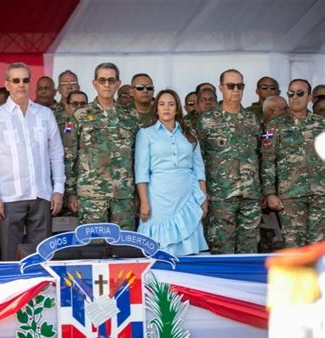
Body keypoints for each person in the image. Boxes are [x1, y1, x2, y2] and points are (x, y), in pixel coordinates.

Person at [0, 62, 65, 261]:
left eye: (25, 80)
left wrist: (58, 190)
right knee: (11, 257)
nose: (21, 85)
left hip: (41, 194)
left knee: (42, 257)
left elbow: (56, 153)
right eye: (16, 80)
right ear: (7, 84)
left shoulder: (45, 114)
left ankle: (41, 292)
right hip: (9, 197)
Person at [66, 63, 138, 230]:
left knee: (124, 246)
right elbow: (69, 155)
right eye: (102, 80)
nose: (107, 84)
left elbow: (137, 156)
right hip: (91, 196)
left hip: (123, 196)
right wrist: (70, 192)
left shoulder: (130, 116)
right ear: (94, 83)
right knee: (94, 246)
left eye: (111, 80)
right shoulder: (79, 115)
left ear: (118, 84)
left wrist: (137, 193)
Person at [135, 89, 208, 255]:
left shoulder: (190, 134)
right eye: (161, 104)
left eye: (171, 104)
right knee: (161, 246)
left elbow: (198, 168)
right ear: (156, 109)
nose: (166, 108)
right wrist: (144, 202)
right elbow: (141, 171)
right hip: (159, 195)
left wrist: (203, 198)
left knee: (189, 241)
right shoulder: (146, 134)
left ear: (177, 108)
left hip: (186, 193)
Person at [197, 69, 262, 254]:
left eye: (240, 86)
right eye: (230, 86)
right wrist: (202, 193)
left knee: (249, 249)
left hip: (250, 195)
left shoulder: (252, 119)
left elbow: (260, 155)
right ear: (221, 88)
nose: (236, 90)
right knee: (221, 250)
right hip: (220, 196)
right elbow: (197, 159)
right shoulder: (206, 120)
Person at [261, 79, 324, 248]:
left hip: (320, 193)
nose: (294, 97)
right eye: (291, 93)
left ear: (310, 97)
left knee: (318, 246)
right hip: (290, 195)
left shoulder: (321, 124)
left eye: (300, 93)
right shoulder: (274, 126)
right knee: (294, 245)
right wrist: (270, 193)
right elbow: (267, 160)